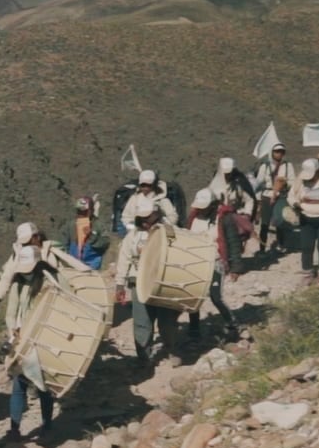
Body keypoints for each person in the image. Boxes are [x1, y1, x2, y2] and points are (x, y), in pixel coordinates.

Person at [114, 201, 181, 367]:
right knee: (142, 320)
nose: (145, 221)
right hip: (139, 281)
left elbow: (179, 251)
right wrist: (119, 284)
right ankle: (144, 356)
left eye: (148, 217)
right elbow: (124, 259)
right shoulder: (133, 236)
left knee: (167, 319)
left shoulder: (170, 231)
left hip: (164, 280)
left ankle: (171, 349)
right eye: (142, 218)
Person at [2, 244, 57, 440]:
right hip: (22, 338)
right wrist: (13, 330)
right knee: (19, 385)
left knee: (44, 385)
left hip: (43, 338)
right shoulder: (18, 284)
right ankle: (15, 428)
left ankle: (47, 425)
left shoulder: (50, 281)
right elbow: (11, 312)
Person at [185, 189, 242, 342]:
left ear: (212, 205)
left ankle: (233, 324)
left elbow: (233, 242)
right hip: (196, 261)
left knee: (215, 296)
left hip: (215, 261)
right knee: (193, 295)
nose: (201, 209)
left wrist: (236, 267)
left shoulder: (224, 219)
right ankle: (194, 329)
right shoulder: (193, 218)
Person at [253, 141, 295, 255]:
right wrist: (258, 199)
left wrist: (284, 183)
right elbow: (259, 182)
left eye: (281, 151)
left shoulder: (287, 165)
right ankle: (262, 248)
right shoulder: (265, 166)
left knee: (280, 220)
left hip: (281, 196)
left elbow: (292, 181)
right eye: (277, 151)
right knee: (265, 223)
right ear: (272, 152)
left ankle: (281, 245)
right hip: (267, 195)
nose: (279, 154)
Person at [59, 196, 107, 269]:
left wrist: (91, 236)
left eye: (84, 212)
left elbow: (105, 244)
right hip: (73, 264)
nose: (81, 214)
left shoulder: (98, 225)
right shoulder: (70, 225)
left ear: (91, 210)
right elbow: (64, 244)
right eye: (79, 211)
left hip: (92, 265)